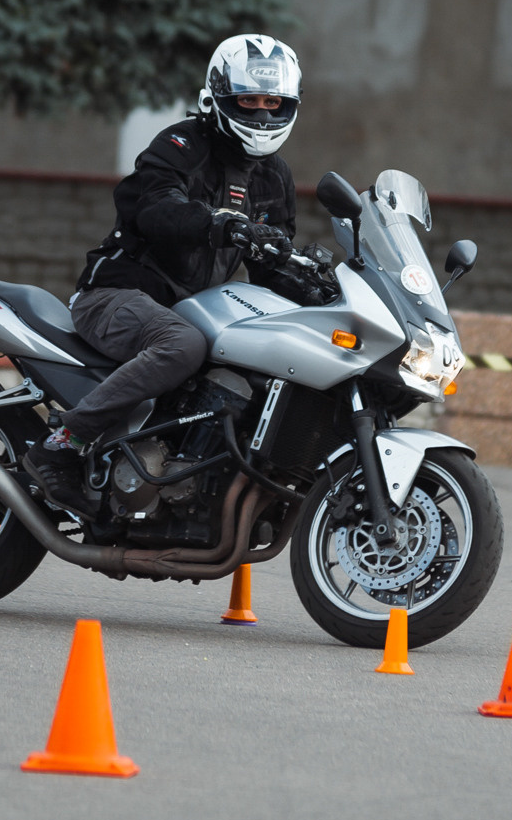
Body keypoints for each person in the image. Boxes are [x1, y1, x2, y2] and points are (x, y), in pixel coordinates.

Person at [25, 35, 307, 512]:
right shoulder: (183, 144)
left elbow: (271, 264)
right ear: (219, 96)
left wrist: (324, 289)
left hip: (188, 310)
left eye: (272, 102)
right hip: (117, 295)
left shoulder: (273, 177)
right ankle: (62, 444)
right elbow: (153, 207)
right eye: (248, 100)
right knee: (182, 345)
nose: (261, 114)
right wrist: (214, 222)